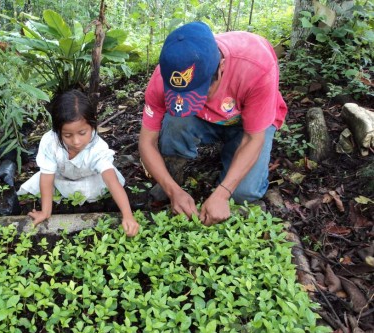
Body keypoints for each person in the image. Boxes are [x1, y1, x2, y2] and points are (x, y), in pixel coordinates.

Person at [139, 21, 287, 226]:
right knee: (175, 122)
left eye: (200, 92)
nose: (188, 99)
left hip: (246, 125)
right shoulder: (165, 77)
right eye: (181, 95)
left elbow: (254, 138)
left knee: (243, 194)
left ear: (221, 67)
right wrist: (172, 190)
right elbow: (147, 141)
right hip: (201, 120)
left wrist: (223, 193)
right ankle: (174, 174)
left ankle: (231, 155)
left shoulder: (256, 66)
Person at [17, 89, 140, 237]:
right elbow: (47, 176)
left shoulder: (97, 148)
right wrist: (45, 211)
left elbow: (111, 180)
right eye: (67, 135)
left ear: (93, 124)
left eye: (82, 133)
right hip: (61, 177)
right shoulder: (50, 142)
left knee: (103, 189)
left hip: (92, 179)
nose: (76, 142)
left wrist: (127, 215)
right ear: (57, 130)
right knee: (45, 185)